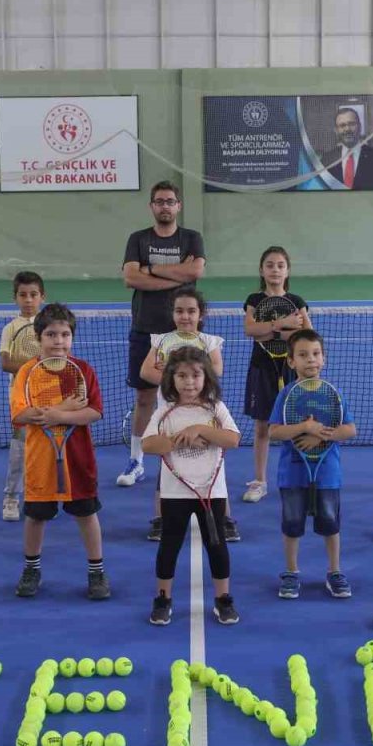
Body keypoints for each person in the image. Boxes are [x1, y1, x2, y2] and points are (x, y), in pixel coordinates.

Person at [10, 304, 110, 601]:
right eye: (51, 334)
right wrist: (65, 409)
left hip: (78, 459)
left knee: (86, 514)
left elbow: (93, 412)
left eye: (65, 334)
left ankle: (96, 570)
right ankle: (31, 568)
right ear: (39, 338)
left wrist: (56, 416)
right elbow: (21, 414)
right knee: (36, 516)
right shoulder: (28, 372)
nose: (59, 341)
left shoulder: (81, 370)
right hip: (40, 460)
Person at [142, 348, 241, 626]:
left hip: (212, 492)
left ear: (206, 377)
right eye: (182, 376)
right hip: (175, 493)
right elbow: (149, 444)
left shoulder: (215, 408)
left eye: (195, 375)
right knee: (169, 546)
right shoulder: (164, 412)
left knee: (217, 545)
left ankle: (223, 600)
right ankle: (163, 599)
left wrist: (201, 429)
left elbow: (232, 439)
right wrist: (180, 439)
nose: (189, 382)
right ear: (171, 379)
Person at [118, 181, 207, 491]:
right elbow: (130, 277)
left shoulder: (191, 238)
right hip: (145, 327)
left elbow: (195, 273)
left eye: (170, 201)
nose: (165, 206)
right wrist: (174, 275)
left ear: (178, 206)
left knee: (190, 394)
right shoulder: (138, 239)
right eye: (159, 202)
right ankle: (137, 460)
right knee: (143, 397)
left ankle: (189, 454)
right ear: (152, 207)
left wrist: (151, 270)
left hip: (184, 333)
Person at [267, 330, 357, 600]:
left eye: (316, 354)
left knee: (330, 522)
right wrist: (304, 427)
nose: (311, 360)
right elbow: (274, 432)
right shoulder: (286, 394)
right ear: (292, 362)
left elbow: (350, 430)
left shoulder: (333, 394)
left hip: (328, 473)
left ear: (324, 359)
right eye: (303, 355)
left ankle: (334, 571)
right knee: (292, 523)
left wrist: (321, 435)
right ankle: (292, 572)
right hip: (293, 473)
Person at [139, 287, 226, 542]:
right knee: (167, 461)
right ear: (172, 314)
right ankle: (160, 517)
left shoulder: (208, 341)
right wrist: (174, 382)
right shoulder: (161, 341)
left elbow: (216, 371)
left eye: (191, 311)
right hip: (171, 413)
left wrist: (177, 373)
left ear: (201, 314)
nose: (185, 316)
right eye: (179, 311)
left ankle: (225, 516)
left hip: (204, 413)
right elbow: (145, 372)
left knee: (214, 461)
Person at [242, 246, 311, 513]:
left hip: (293, 370)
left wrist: (271, 332)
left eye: (280, 265)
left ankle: (300, 478)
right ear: (262, 270)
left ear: (287, 270)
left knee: (298, 426)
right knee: (262, 428)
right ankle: (260, 481)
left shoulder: (297, 300)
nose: (275, 269)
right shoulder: (254, 300)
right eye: (269, 265)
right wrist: (282, 324)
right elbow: (250, 329)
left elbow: (307, 335)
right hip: (262, 369)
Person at [0, 271, 46, 522]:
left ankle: (38, 495)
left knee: (44, 447)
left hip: (48, 396)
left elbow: (58, 360)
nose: (28, 300)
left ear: (42, 297)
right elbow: (6, 363)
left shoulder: (49, 326)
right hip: (20, 398)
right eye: (23, 295)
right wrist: (36, 365)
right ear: (15, 298)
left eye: (33, 295)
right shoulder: (10, 328)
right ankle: (11, 497)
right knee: (19, 448)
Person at [321, 107, 373, 190]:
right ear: (336, 130)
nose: (347, 129)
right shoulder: (327, 159)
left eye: (351, 124)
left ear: (360, 126)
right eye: (342, 125)